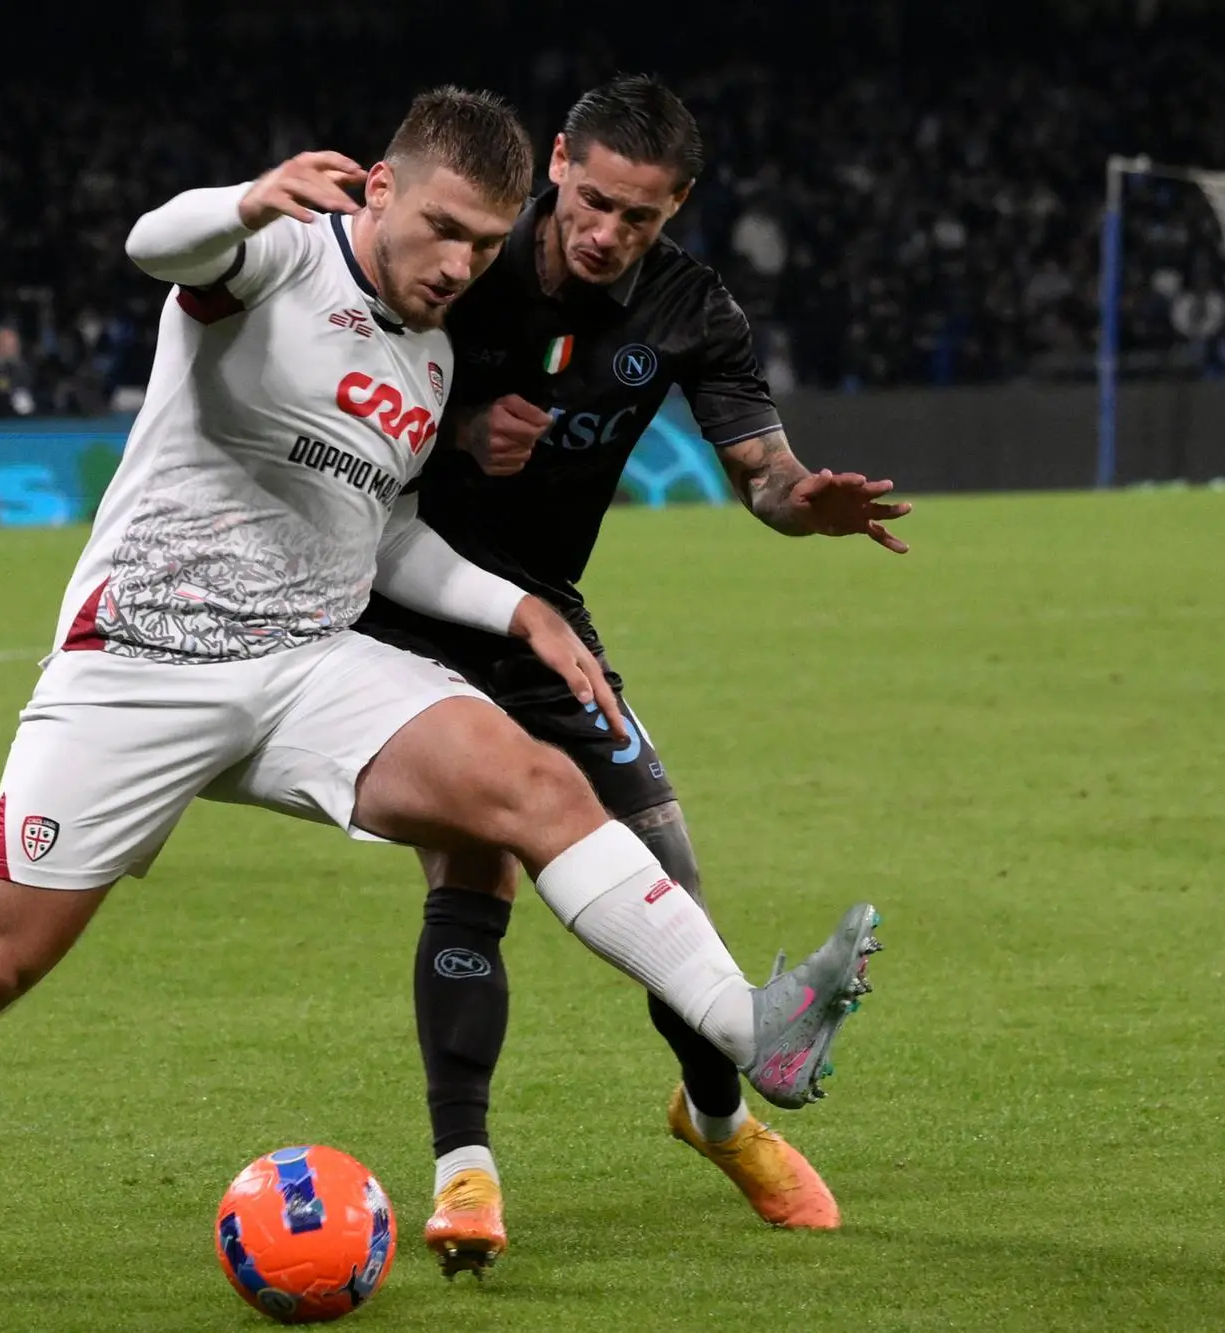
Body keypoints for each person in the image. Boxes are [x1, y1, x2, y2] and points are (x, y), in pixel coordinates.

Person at [0, 88, 882, 1301]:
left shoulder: (435, 350)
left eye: (482, 242)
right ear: (378, 189)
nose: (459, 265)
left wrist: (518, 609)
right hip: (135, 669)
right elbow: (157, 244)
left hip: (310, 664)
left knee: (533, 783)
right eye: (443, 230)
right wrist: (242, 198)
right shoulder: (275, 255)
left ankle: (749, 1028)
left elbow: (387, 535)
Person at [352, 76, 910, 1273]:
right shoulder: (466, 252)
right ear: (557, 161)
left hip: (547, 616)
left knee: (667, 884)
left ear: (678, 209)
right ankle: (465, 1175)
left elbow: (761, 470)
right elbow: (337, 387)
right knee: (472, 870)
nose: (609, 234)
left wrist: (799, 501)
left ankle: (716, 1119)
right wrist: (454, 437)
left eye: (641, 218)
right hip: (401, 592)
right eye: (595, 201)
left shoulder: (687, 304)